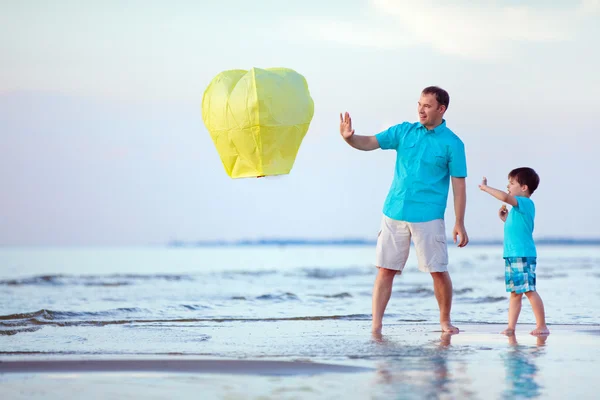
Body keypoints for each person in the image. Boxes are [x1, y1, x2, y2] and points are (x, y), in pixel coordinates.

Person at [339, 86, 469, 335]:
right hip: (394, 211)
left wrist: (459, 222)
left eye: (427, 105)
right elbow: (369, 142)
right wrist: (349, 138)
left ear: (441, 109)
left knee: (438, 271)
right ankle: (376, 326)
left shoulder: (453, 143)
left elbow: (459, 187)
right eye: (419, 104)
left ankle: (444, 321)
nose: (421, 109)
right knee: (385, 270)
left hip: (429, 216)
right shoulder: (404, 131)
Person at [478, 168, 549, 336]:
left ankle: (542, 325)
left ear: (524, 187)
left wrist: (485, 188)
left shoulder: (524, 202)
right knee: (515, 293)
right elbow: (517, 228)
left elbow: (504, 197)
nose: (508, 186)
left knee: (529, 290)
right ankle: (511, 327)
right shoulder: (518, 208)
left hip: (522, 254)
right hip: (512, 254)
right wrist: (506, 219)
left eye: (511, 183)